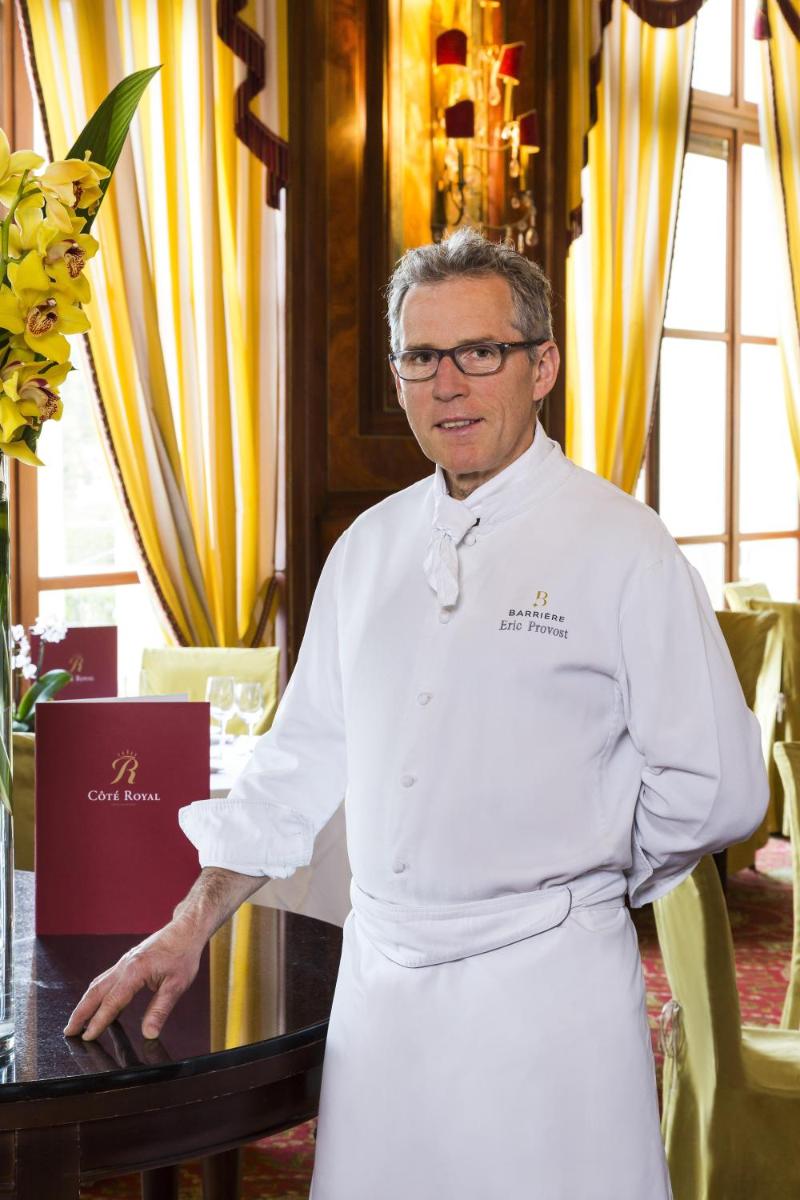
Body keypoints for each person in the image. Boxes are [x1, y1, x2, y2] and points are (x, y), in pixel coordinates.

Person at [66, 228, 768, 1199]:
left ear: (541, 367)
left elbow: (717, 789)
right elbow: (295, 765)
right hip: (380, 997)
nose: (449, 384)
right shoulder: (365, 548)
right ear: (396, 379)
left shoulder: (625, 548)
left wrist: (587, 877)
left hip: (548, 997)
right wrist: (189, 924)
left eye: (480, 352)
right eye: (421, 357)